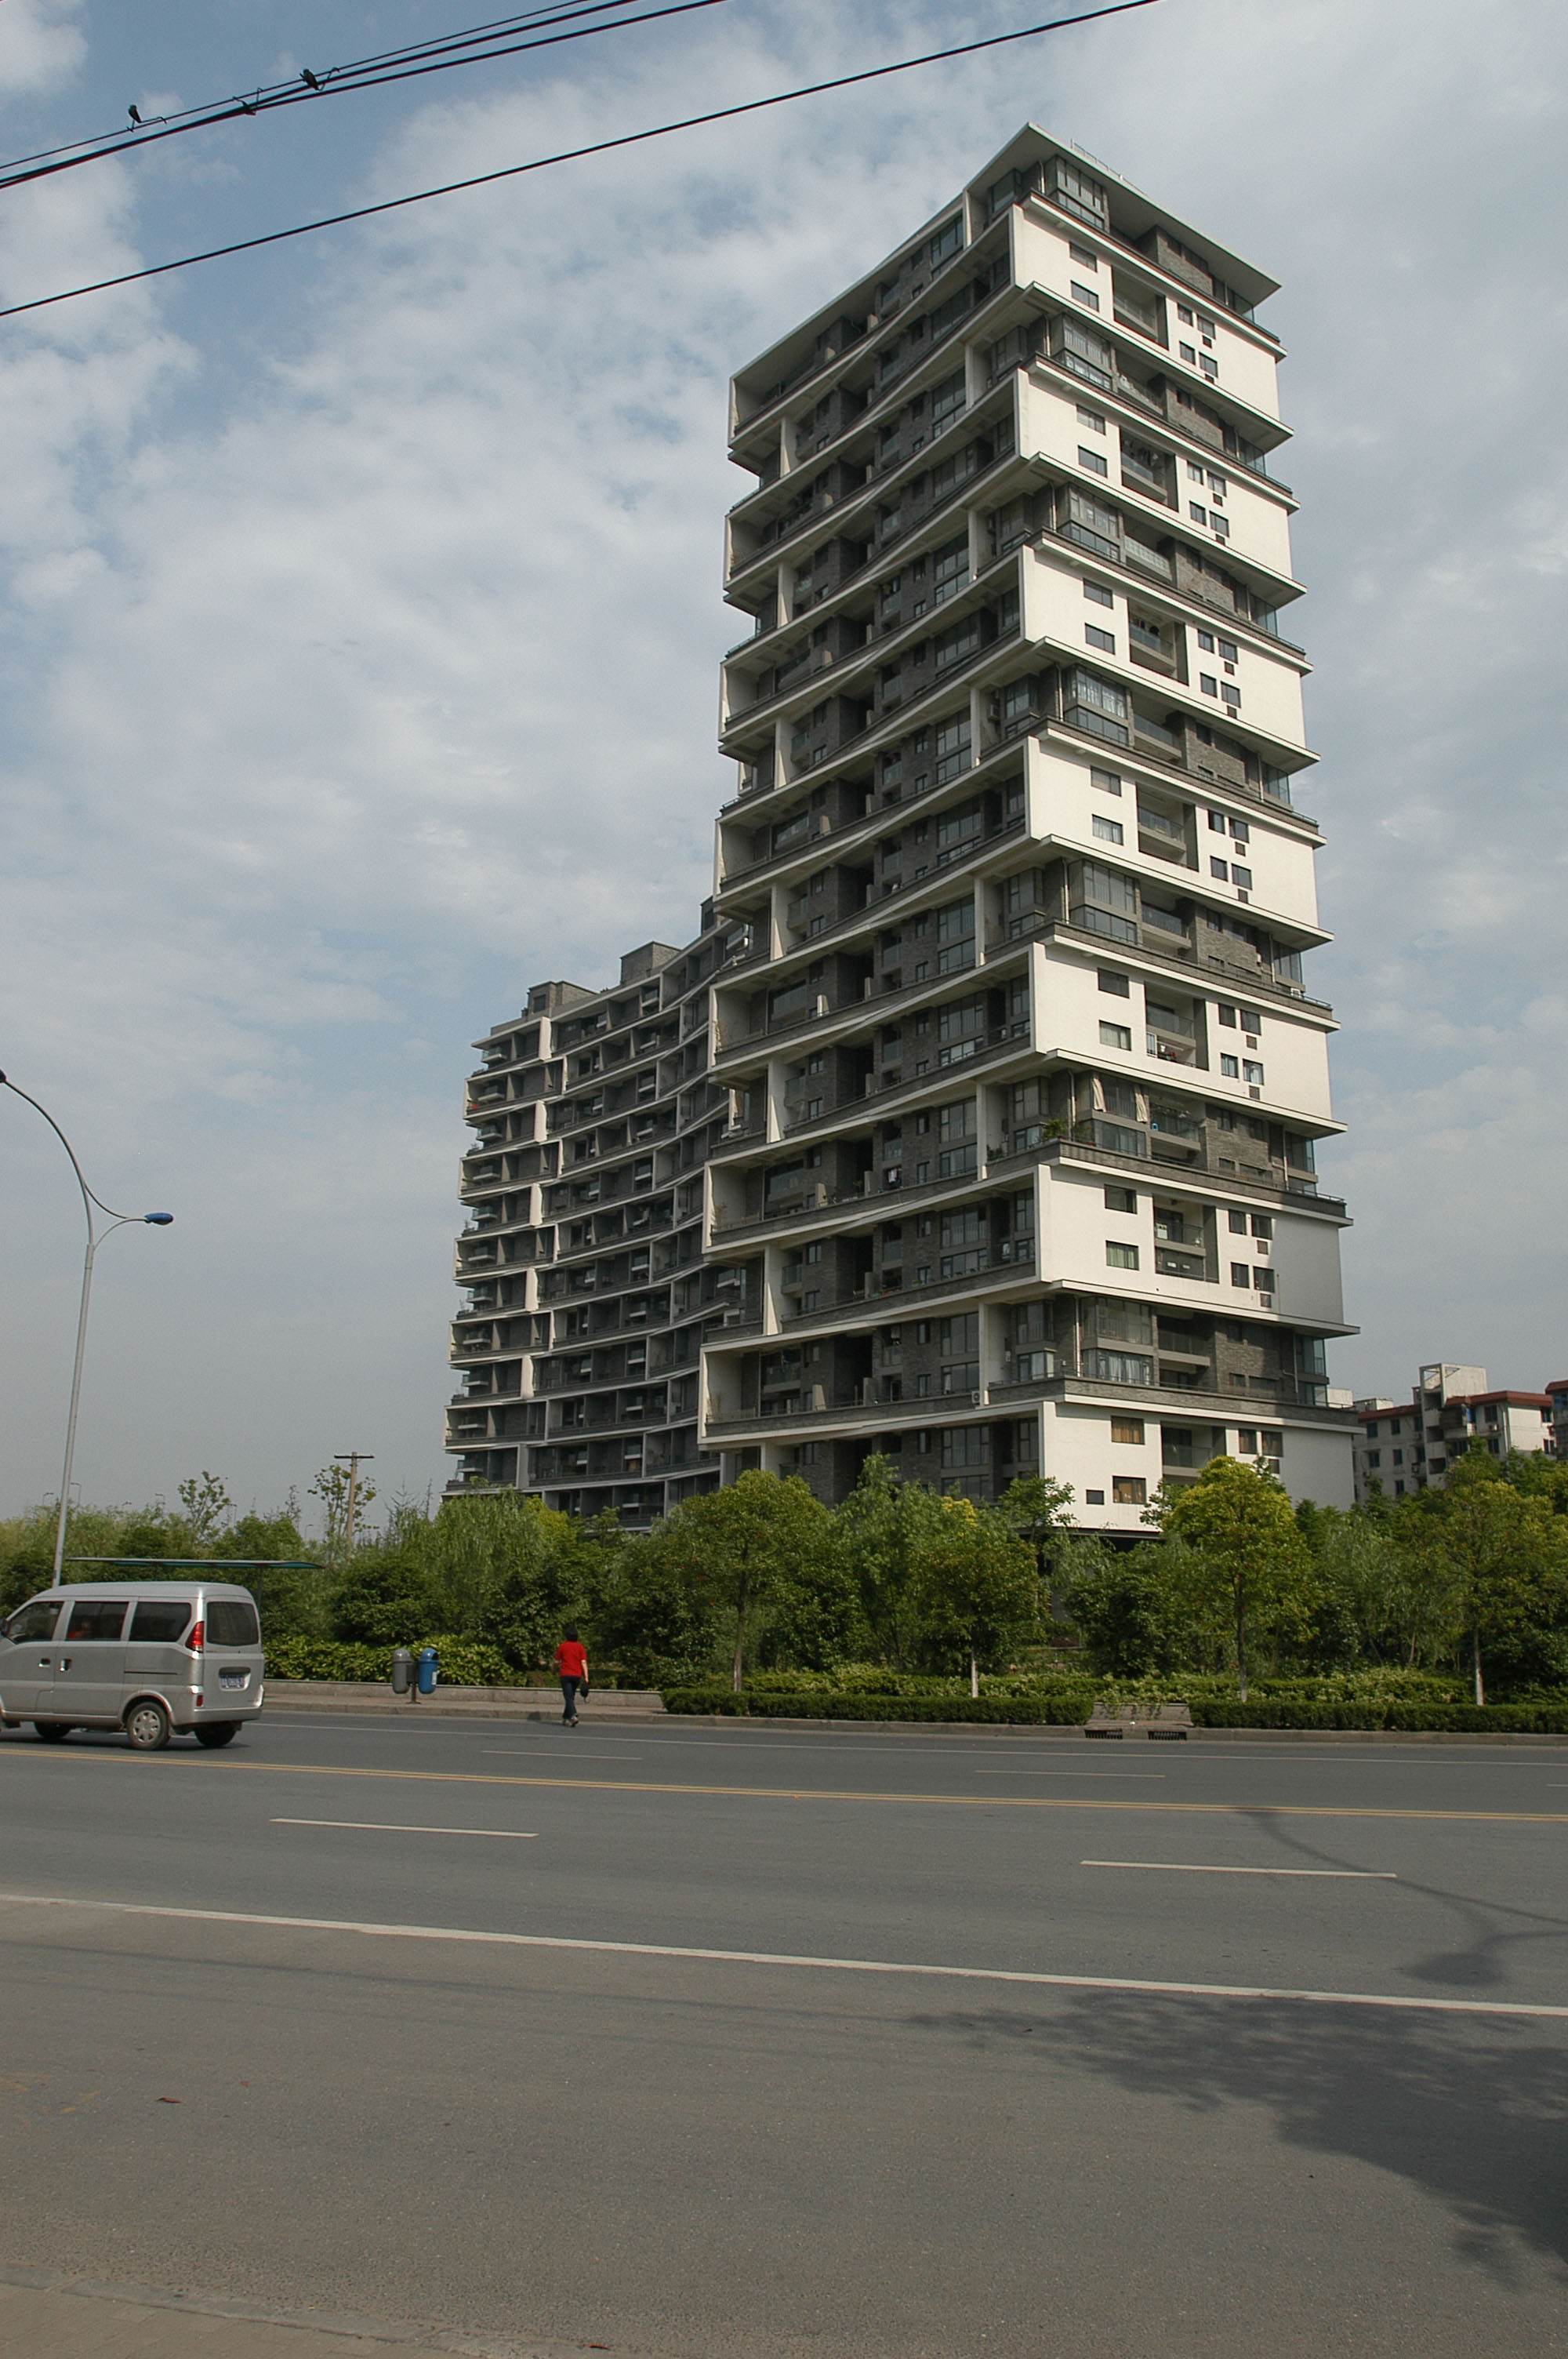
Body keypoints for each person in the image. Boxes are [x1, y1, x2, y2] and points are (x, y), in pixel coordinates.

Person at [555, 1627, 589, 1726]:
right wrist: (586, 1677)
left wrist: (553, 1670)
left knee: (568, 1696)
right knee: (570, 1696)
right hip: (576, 1675)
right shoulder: (580, 1647)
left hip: (565, 1675)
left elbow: (556, 1661)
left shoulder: (562, 1646)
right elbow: (583, 1662)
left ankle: (573, 1715)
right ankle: (565, 1718)